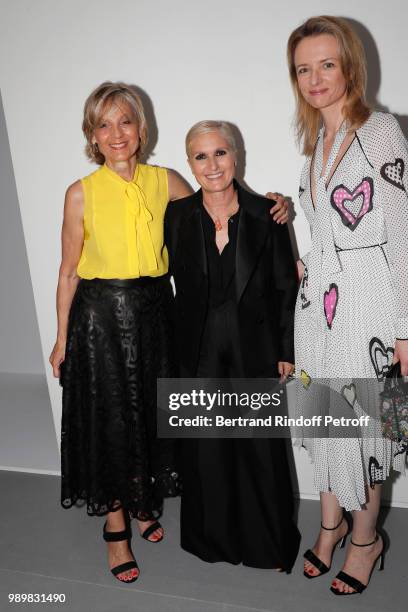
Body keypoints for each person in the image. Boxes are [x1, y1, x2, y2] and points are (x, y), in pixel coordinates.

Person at [49, 83, 289, 583]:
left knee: (152, 420)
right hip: (101, 319)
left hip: (160, 316)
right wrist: (60, 337)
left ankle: (142, 506)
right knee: (113, 423)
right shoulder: (81, 193)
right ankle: (117, 532)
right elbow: (69, 271)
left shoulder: (167, 181)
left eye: (125, 121)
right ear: (92, 135)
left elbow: (219, 204)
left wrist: (276, 209)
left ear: (141, 128)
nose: (116, 133)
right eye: (104, 124)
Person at [287, 16, 408, 594]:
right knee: (324, 419)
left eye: (326, 64)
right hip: (320, 307)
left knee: (365, 430)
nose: (314, 78)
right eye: (303, 68)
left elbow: (405, 232)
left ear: (350, 67)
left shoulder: (379, 130)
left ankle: (366, 540)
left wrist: (407, 326)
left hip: (369, 307)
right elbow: (326, 227)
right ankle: (330, 526)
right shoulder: (317, 141)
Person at [164, 120, 301, 571]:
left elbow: (285, 288)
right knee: (206, 449)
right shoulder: (177, 216)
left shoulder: (268, 213)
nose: (212, 164)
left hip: (254, 347)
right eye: (201, 156)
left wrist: (286, 350)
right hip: (197, 349)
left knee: (260, 449)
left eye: (220, 153)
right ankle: (211, 542)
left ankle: (267, 545)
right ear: (190, 164)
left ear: (235, 155)